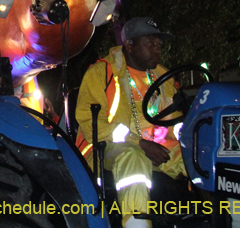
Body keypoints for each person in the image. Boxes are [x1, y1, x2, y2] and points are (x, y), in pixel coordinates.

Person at [74, 17, 184, 228]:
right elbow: (91, 123)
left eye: (159, 44)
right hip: (107, 149)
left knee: (201, 158)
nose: (157, 49)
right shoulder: (101, 73)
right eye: (150, 43)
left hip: (158, 147)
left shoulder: (165, 76)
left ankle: (230, 217)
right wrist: (140, 144)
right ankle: (136, 224)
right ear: (130, 45)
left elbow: (176, 121)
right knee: (133, 158)